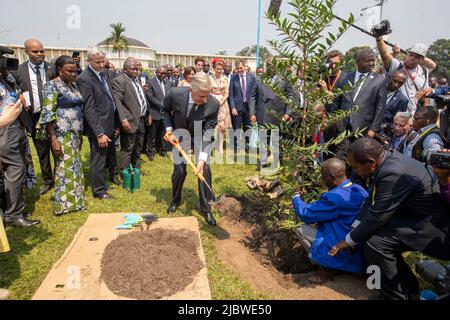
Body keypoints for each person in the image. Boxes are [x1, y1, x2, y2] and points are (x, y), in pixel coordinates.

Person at [330, 138, 450, 300]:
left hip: (439, 228)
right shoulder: (387, 160)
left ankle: (394, 296)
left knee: (375, 242)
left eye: (356, 167)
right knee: (369, 236)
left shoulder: (393, 171)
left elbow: (377, 216)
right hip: (419, 217)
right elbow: (370, 200)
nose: (356, 172)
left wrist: (349, 240)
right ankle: (407, 287)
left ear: (371, 162)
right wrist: (355, 228)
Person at [292, 159, 368, 284]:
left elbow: (306, 214)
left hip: (339, 246)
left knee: (300, 229)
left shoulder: (334, 198)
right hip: (356, 245)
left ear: (331, 177)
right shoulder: (359, 189)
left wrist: (296, 197)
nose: (322, 180)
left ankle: (324, 268)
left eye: (323, 177)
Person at [161, 72, 219, 226]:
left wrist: (201, 160)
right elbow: (165, 110)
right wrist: (168, 129)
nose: (205, 99)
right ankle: (175, 200)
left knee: (204, 171)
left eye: (208, 95)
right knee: (179, 171)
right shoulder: (175, 93)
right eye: (201, 96)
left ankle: (205, 208)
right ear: (192, 89)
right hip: (180, 135)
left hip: (200, 136)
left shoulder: (213, 104)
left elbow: (208, 133)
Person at [37, 55, 86, 215]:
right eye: (69, 71)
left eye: (75, 70)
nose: (73, 74)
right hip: (61, 134)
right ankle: (63, 205)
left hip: (75, 133)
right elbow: (48, 115)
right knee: (64, 168)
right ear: (60, 70)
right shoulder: (52, 86)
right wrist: (53, 140)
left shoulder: (73, 85)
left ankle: (77, 201)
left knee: (75, 168)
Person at [14, 39, 55, 196]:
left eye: (42, 51)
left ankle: (60, 178)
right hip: (35, 117)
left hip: (54, 116)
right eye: (35, 51)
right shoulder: (19, 71)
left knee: (57, 148)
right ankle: (48, 181)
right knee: (42, 150)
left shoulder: (52, 68)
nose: (40, 54)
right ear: (26, 52)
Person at [77, 47, 119, 200]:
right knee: (98, 158)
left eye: (103, 61)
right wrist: (99, 133)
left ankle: (106, 181)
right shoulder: (85, 78)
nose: (102, 65)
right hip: (98, 127)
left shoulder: (105, 74)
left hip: (109, 123)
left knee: (109, 155)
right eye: (98, 62)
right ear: (88, 61)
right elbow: (89, 108)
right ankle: (99, 190)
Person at [329, 48, 387, 159]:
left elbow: (380, 107)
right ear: (358, 61)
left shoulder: (379, 80)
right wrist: (333, 121)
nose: (371, 63)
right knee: (341, 157)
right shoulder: (345, 77)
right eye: (367, 60)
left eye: (373, 60)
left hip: (363, 129)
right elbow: (337, 100)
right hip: (343, 127)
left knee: (359, 158)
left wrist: (373, 130)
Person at [0, 76, 40, 227]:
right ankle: (13, 215)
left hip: (16, 126)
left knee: (18, 167)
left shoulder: (7, 78)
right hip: (4, 128)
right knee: (15, 168)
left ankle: (15, 209)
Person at [376, 37, 436, 114]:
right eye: (410, 55)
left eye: (416, 57)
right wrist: (379, 38)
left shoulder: (424, 71)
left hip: (410, 115)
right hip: (390, 112)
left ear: (421, 59)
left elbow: (433, 65)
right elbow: (384, 55)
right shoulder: (397, 65)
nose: (412, 58)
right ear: (407, 54)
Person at [112, 57, 150, 172]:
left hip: (141, 119)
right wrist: (123, 120)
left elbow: (142, 98)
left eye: (137, 69)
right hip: (130, 120)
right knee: (128, 147)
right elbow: (117, 101)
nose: (136, 71)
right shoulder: (120, 80)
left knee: (138, 146)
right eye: (133, 69)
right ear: (125, 69)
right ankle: (125, 171)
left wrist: (148, 113)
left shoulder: (136, 79)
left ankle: (135, 169)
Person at [143, 66, 171, 160]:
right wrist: (162, 105)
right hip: (155, 112)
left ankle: (162, 151)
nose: (163, 75)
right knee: (152, 135)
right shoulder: (150, 82)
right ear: (156, 72)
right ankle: (151, 152)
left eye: (164, 73)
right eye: (161, 73)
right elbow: (150, 97)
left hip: (166, 114)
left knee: (163, 134)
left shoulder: (168, 83)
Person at [229, 60, 256, 152]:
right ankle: (235, 147)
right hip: (237, 107)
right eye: (238, 68)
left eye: (241, 68)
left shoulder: (251, 77)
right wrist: (232, 107)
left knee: (248, 127)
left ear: (245, 67)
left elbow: (254, 93)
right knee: (236, 127)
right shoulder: (233, 78)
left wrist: (253, 109)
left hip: (248, 107)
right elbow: (231, 95)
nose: (239, 70)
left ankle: (247, 145)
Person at [210, 60, 232, 154]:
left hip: (223, 104)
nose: (219, 71)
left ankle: (220, 146)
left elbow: (227, 92)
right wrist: (214, 101)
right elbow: (207, 90)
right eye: (217, 69)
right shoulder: (209, 78)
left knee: (222, 126)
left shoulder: (225, 79)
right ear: (214, 69)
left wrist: (221, 101)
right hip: (211, 102)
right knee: (211, 125)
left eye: (220, 69)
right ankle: (210, 145)